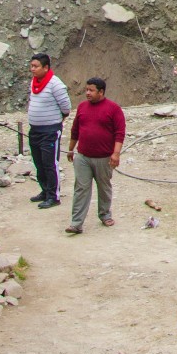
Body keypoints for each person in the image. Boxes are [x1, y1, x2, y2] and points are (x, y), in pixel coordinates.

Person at [65, 77, 125, 234]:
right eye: (86, 90)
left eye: (91, 90)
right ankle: (76, 223)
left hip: (104, 158)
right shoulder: (82, 107)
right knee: (81, 188)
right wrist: (71, 149)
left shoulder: (114, 109)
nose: (87, 93)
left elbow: (120, 133)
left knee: (104, 187)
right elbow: (75, 130)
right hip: (83, 156)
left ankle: (105, 214)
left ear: (101, 92)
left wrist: (116, 154)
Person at [26, 52, 71, 210]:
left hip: (50, 130)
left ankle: (53, 196)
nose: (32, 69)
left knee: (49, 163)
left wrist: (58, 119)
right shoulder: (34, 83)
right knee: (38, 162)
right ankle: (44, 190)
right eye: (31, 66)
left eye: (36, 66)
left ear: (46, 68)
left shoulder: (55, 84)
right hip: (35, 130)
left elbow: (66, 107)